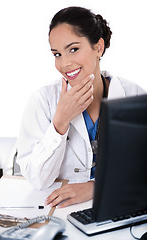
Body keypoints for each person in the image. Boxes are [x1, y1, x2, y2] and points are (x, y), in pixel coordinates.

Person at [16, 6, 145, 208]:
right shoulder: (42, 101)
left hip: (118, 205)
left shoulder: (134, 95)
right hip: (59, 210)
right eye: (57, 54)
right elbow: (38, 179)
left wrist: (96, 186)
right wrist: (61, 120)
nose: (64, 63)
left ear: (98, 48)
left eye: (73, 49)